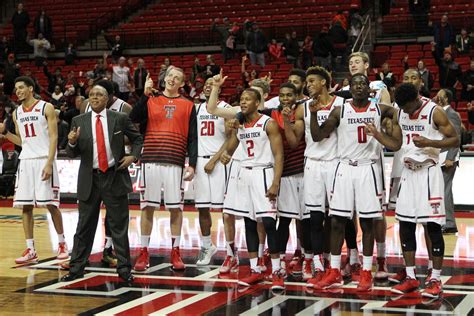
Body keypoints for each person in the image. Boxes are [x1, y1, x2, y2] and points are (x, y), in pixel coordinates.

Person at [310, 74, 402, 292]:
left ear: (368, 88)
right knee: (336, 221)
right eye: (355, 84)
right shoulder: (340, 110)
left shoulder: (382, 110)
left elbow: (398, 129)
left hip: (368, 168)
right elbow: (317, 136)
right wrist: (313, 115)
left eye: (363, 84)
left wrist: (383, 131)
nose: (359, 87)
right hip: (344, 168)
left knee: (368, 222)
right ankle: (333, 270)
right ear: (349, 88)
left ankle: (367, 271)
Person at [60, 84, 143, 283]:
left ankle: (124, 270)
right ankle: (76, 268)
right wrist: (71, 142)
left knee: (119, 227)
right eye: (91, 95)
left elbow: (137, 138)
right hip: (90, 178)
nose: (94, 97)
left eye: (99, 94)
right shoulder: (78, 121)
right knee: (84, 227)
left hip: (114, 176)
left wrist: (133, 156)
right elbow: (72, 153)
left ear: (107, 99)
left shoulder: (120, 118)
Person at [390, 83, 459, 299]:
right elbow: (396, 140)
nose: (408, 112)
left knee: (433, 227)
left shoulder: (434, 112)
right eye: (404, 109)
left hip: (429, 172)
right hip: (408, 173)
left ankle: (435, 278)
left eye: (410, 107)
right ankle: (410, 276)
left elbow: (455, 139)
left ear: (418, 98)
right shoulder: (401, 111)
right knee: (406, 225)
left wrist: (429, 142)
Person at [282, 67, 346, 287]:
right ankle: (319, 265)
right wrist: (286, 123)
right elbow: (293, 141)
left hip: (337, 164)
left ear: (324, 83)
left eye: (311, 81)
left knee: (337, 218)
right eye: (307, 82)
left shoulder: (341, 104)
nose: (307, 85)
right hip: (313, 165)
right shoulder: (303, 108)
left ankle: (337, 263)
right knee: (315, 218)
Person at [130, 68, 197, 271]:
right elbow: (133, 117)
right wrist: (144, 95)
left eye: (177, 77)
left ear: (182, 84)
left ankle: (175, 251)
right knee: (147, 207)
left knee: (175, 208)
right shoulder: (151, 99)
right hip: (150, 159)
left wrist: (192, 164)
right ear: (164, 78)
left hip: (175, 161)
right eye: (170, 75)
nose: (172, 79)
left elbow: (193, 137)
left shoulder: (188, 105)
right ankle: (143, 251)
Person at [219, 87, 284, 291]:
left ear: (258, 103)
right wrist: (225, 155)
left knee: (268, 223)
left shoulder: (269, 123)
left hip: (264, 173)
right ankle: (255, 269)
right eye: (242, 99)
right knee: (248, 223)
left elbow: (279, 154)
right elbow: (230, 148)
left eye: (248, 99)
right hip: (244, 174)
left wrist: (275, 182)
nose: (244, 102)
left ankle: (276, 271)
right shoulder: (240, 125)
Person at [0, 76, 69, 264]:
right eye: (16, 88)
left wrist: (49, 162)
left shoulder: (46, 107)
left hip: (43, 160)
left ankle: (62, 244)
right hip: (26, 162)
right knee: (26, 206)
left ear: (31, 88)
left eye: (21, 87)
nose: (18, 91)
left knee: (51, 204)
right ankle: (31, 249)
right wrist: (5, 133)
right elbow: (23, 142)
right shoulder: (16, 113)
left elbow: (54, 137)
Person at [194, 77, 230, 266]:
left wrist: (214, 160)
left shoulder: (225, 108)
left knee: (226, 209)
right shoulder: (197, 109)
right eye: (206, 84)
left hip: (220, 162)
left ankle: (231, 251)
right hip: (200, 161)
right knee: (202, 207)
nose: (208, 86)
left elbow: (231, 139)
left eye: (212, 84)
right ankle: (207, 245)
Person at [435, 89, 462, 234]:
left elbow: (456, 137)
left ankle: (449, 223)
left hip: (448, 158)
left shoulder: (451, 114)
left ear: (446, 98)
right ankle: (446, 221)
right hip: (441, 157)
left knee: (445, 190)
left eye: (439, 95)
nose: (436, 97)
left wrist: (451, 157)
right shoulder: (440, 112)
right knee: (443, 190)